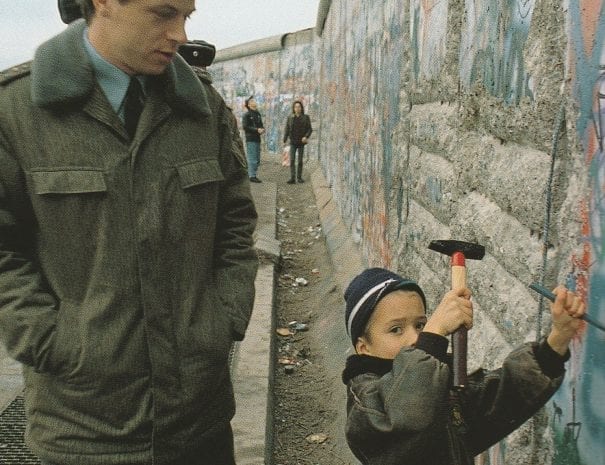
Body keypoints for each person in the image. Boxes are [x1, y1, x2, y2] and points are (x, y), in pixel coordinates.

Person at [0, 1, 259, 465]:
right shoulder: (15, 112)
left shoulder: (201, 107)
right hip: (82, 427)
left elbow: (235, 223)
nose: (179, 33)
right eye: (163, 13)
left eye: (187, 15)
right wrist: (52, 341)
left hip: (198, 420)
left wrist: (222, 317)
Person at [342, 268, 586, 465]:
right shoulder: (366, 406)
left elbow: (501, 399)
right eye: (396, 329)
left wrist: (557, 340)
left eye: (420, 325)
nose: (415, 338)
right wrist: (434, 334)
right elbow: (406, 416)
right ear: (364, 347)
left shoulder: (436, 386)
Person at [283, 100, 312, 184]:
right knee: (292, 160)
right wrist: (284, 140)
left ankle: (299, 177)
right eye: (295, 107)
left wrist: (306, 136)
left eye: (299, 107)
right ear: (293, 108)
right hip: (293, 142)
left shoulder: (306, 117)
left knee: (299, 161)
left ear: (301, 108)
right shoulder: (290, 118)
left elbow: (310, 129)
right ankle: (292, 178)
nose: (297, 108)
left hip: (301, 142)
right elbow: (287, 129)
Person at [242, 95, 265, 183]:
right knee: (252, 158)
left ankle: (251, 173)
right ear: (248, 104)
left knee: (257, 158)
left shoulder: (258, 114)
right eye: (252, 101)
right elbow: (245, 126)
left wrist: (262, 129)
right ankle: (252, 175)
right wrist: (256, 130)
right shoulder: (246, 115)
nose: (254, 102)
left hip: (257, 138)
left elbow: (261, 124)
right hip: (250, 138)